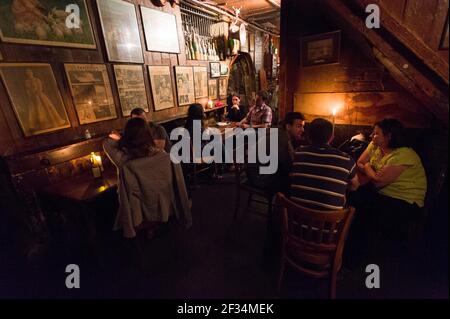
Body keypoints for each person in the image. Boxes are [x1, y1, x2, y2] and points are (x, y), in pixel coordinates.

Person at [103, 118, 191, 238]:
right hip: (164, 205)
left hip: (140, 212)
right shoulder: (164, 156)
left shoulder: (124, 162)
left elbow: (107, 143)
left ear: (127, 137)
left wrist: (122, 139)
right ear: (149, 135)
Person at [290, 118, 359, 210]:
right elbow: (355, 186)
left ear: (309, 136)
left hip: (295, 219)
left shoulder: (298, 153)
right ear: (332, 137)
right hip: (329, 223)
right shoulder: (346, 159)